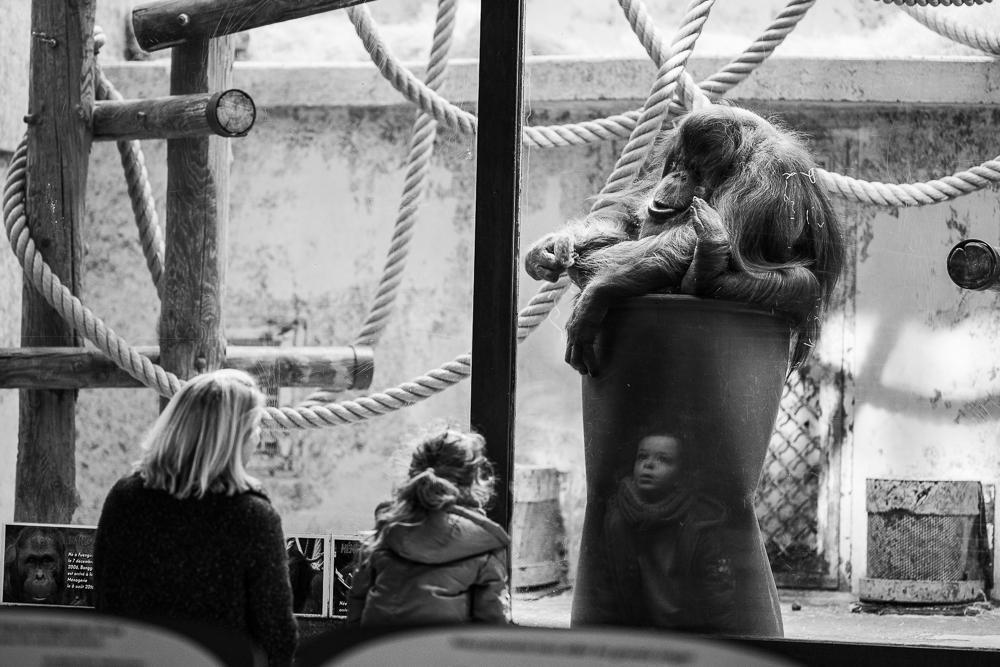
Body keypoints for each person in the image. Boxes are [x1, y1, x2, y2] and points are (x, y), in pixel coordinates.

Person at [93, 369, 297, 667]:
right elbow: (277, 636)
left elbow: (105, 605)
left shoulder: (124, 499)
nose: (257, 438)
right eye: (253, 429)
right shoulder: (253, 518)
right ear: (229, 440)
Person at [346, 426, 511, 626]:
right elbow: (492, 625)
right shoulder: (483, 544)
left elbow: (357, 607)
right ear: (475, 481)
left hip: (380, 644)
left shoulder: (386, 530)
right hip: (442, 646)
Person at [601, 433, 739, 633]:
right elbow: (603, 590)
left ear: (681, 473)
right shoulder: (617, 517)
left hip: (690, 632)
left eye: (663, 459)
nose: (649, 465)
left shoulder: (700, 522)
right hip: (636, 633)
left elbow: (718, 594)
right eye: (642, 456)